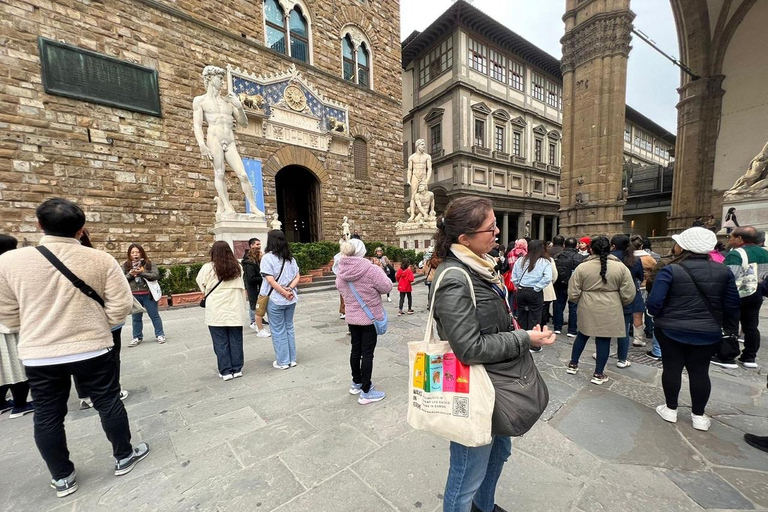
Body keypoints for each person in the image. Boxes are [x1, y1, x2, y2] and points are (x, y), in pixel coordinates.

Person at [0, 198, 149, 498]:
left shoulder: (9, 262)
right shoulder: (101, 259)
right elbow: (120, 305)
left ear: (39, 225)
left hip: (40, 353)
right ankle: (123, 455)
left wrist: (34, 328)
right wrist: (97, 326)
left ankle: (63, 476)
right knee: (108, 402)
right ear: (81, 230)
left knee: (47, 414)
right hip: (93, 348)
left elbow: (6, 312)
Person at [428, 196, 556, 512]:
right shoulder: (455, 278)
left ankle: (483, 507)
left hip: (495, 384)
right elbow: (469, 348)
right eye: (491, 228)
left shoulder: (481, 267)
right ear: (464, 238)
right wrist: (523, 338)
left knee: (499, 453)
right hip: (474, 390)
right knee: (466, 472)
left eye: (495, 224)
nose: (497, 232)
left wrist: (526, 336)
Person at [647, 227, 740, 431]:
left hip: (671, 328)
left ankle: (671, 409)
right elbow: (732, 304)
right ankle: (699, 415)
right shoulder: (723, 271)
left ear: (684, 246)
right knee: (700, 371)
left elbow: (654, 301)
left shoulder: (670, 269)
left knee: (672, 368)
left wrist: (659, 315)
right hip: (708, 330)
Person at [192, 65, 261, 216]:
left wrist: (239, 107)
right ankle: (227, 205)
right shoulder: (200, 101)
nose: (222, 82)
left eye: (223, 78)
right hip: (214, 138)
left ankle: (253, 206)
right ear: (210, 78)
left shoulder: (228, 102)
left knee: (243, 174)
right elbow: (197, 125)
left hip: (230, 141)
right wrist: (202, 144)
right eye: (219, 78)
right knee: (220, 174)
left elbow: (244, 123)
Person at [567, 237, 636, 384]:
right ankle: (598, 374)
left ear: (591, 249)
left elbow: (573, 292)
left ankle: (573, 364)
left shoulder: (582, 267)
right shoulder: (620, 267)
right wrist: (620, 302)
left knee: (582, 334)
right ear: (610, 248)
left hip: (587, 303)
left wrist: (579, 300)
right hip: (611, 306)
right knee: (604, 340)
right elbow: (629, 293)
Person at [335, 239, 392, 404]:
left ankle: (356, 382)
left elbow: (340, 287)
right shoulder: (371, 269)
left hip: (352, 318)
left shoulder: (341, 271)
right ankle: (366, 391)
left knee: (355, 351)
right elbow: (387, 287)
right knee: (367, 354)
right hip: (370, 318)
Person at [714, 226, 768, 368]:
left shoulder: (736, 254)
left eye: (731, 237)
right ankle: (749, 357)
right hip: (757, 292)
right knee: (751, 325)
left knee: (730, 324)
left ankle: (727, 356)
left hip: (736, 294)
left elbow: (728, 276)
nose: (729, 239)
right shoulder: (765, 253)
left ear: (739, 239)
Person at [197, 241, 247, 380]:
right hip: (234, 307)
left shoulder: (207, 268)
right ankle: (237, 369)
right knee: (236, 340)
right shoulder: (237, 267)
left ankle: (225, 371)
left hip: (216, 309)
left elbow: (201, 284)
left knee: (220, 341)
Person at [0, 234, 34, 419]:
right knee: (17, 366)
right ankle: (20, 404)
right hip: (8, 326)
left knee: (1, 369)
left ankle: (2, 403)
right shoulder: (9, 269)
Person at [260, 230, 301, 370]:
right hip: (291, 298)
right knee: (289, 327)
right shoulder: (291, 258)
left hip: (275, 298)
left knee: (278, 330)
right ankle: (292, 359)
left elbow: (270, 280)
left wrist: (283, 292)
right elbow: (297, 277)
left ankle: (283, 361)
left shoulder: (267, 258)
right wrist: (289, 289)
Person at [123, 244, 166, 347]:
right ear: (129, 254)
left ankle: (160, 334)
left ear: (141, 253)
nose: (135, 254)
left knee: (154, 315)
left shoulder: (149, 264)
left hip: (148, 294)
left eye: (137, 252)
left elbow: (155, 275)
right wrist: (131, 274)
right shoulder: (126, 265)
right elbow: (122, 279)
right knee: (136, 318)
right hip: (134, 295)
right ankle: (137, 337)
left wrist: (142, 273)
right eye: (132, 253)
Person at [511, 240, 553, 342]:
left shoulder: (521, 260)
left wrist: (519, 285)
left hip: (521, 290)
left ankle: (521, 339)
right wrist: (537, 287)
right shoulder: (545, 262)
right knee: (534, 317)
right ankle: (533, 342)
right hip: (534, 292)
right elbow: (548, 278)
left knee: (522, 316)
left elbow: (514, 276)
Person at [611, 235, 646, 353]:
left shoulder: (608, 258)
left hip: (610, 293)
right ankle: (622, 358)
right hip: (630, 293)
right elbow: (640, 276)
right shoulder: (635, 260)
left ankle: (601, 351)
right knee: (624, 328)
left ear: (613, 246)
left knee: (605, 325)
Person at [552, 237, 584, 337]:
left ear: (565, 245)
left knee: (558, 305)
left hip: (559, 283)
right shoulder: (580, 257)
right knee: (573, 307)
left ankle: (557, 327)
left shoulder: (558, 256)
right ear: (576, 246)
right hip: (574, 284)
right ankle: (572, 330)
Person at [242, 238, 269, 337]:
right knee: (253, 304)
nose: (259, 246)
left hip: (258, 286)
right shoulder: (249, 263)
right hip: (253, 287)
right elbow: (251, 278)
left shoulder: (256, 260)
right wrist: (263, 277)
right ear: (252, 246)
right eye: (257, 244)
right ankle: (255, 323)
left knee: (257, 304)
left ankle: (258, 320)